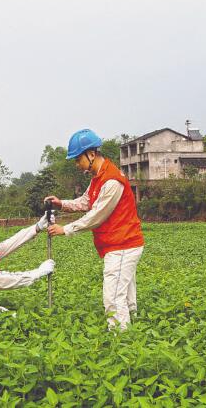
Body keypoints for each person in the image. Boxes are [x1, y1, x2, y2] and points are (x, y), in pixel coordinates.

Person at [45, 129, 144, 330]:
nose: (76, 164)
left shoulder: (112, 180)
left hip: (122, 245)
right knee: (125, 295)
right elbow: (86, 201)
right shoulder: (98, 176)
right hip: (118, 244)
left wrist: (67, 229)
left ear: (91, 154)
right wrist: (61, 203)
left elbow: (97, 215)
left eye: (77, 158)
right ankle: (136, 331)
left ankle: (121, 341)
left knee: (113, 297)